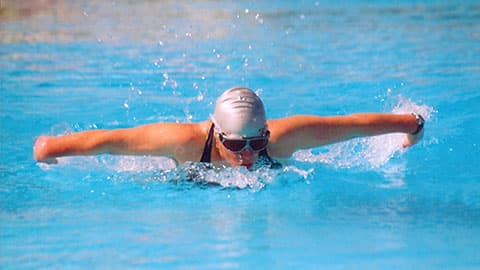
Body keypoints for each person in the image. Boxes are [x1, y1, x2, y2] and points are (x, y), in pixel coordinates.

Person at [34, 86, 425, 169]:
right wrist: (50, 149)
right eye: (237, 146)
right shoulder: (185, 142)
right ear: (217, 136)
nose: (251, 154)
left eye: (258, 141)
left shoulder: (283, 137)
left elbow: (353, 126)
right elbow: (108, 142)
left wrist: (411, 126)